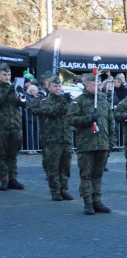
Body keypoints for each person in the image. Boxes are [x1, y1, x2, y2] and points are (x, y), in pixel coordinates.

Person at [69, 73, 114, 214]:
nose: (98, 87)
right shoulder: (79, 101)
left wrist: (112, 141)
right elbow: (71, 119)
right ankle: (87, 202)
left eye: (99, 84)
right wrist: (88, 118)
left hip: (102, 143)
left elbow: (111, 122)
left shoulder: (103, 101)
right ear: (86, 85)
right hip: (87, 143)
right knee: (86, 174)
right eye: (94, 84)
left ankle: (97, 200)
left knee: (98, 174)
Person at [32, 73, 75, 201]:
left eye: (59, 86)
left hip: (66, 138)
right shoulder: (45, 101)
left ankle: (64, 189)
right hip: (52, 139)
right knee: (53, 167)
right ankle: (55, 190)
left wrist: (69, 101)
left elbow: (72, 112)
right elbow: (50, 111)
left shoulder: (66, 100)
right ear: (49, 88)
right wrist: (63, 101)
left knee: (65, 167)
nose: (58, 89)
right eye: (55, 86)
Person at [0, 63, 27, 190]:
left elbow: (24, 104)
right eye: (4, 75)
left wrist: (21, 95)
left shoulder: (13, 88)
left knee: (13, 155)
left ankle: (13, 179)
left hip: (15, 125)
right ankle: (4, 180)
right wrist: (6, 93)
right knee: (2, 154)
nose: (7, 77)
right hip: (2, 125)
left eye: (9, 74)